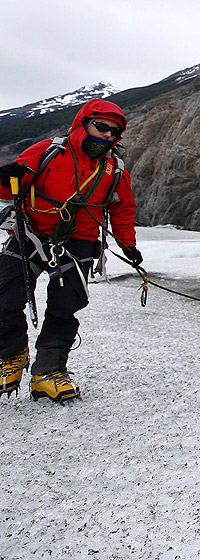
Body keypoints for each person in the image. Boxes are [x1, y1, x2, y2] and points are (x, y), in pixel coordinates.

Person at [0, 99, 141, 402]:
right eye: (101, 127)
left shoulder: (114, 169)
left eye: (113, 132)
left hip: (79, 241)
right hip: (31, 234)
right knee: (3, 295)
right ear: (83, 123)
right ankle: (10, 355)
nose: (106, 135)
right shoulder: (48, 151)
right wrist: (6, 176)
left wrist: (127, 243)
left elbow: (122, 209)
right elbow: (12, 185)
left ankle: (48, 372)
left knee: (65, 306)